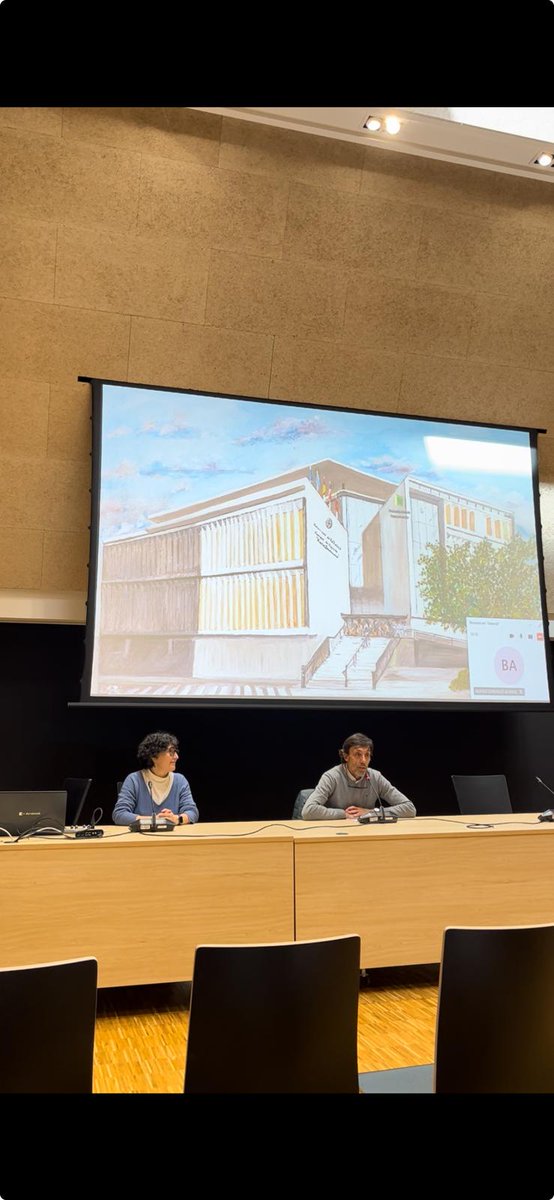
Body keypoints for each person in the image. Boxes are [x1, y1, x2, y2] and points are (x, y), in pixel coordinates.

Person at [301, 732, 416, 821]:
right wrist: (344, 814)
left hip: (365, 834)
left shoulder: (375, 777)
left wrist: (371, 812)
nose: (363, 761)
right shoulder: (331, 777)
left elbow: (409, 808)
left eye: (367, 755)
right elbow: (308, 810)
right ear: (346, 756)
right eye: (358, 754)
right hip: (336, 833)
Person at [112, 730, 199, 826]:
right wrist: (154, 820)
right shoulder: (134, 780)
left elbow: (192, 812)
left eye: (175, 752)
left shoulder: (180, 780)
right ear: (154, 756)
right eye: (171, 752)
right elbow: (119, 814)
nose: (176, 756)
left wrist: (177, 819)